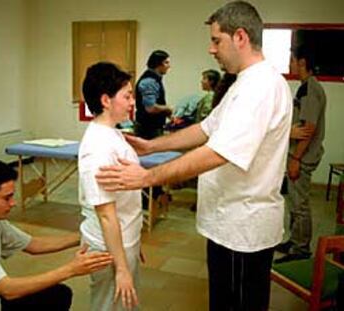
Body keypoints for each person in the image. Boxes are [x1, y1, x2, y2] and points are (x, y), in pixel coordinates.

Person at [96, 1, 293, 310]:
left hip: (241, 228)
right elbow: (205, 129)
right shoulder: (245, 84)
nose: (211, 50)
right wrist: (151, 146)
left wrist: (147, 176)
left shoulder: (261, 87)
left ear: (240, 37)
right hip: (227, 223)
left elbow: (217, 153)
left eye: (217, 40)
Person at [0, 158, 113, 311]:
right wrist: (71, 269)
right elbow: (8, 290)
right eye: (7, 198)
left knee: (59, 295)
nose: (13, 203)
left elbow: (34, 245)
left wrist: (85, 235)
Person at [79, 62, 142, 311]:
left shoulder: (113, 133)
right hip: (110, 248)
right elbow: (105, 214)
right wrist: (122, 267)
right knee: (110, 305)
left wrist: (134, 242)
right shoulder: (97, 148)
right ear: (106, 100)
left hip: (124, 240)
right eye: (127, 96)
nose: (132, 102)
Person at [275, 44, 327, 263]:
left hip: (302, 157)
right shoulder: (305, 87)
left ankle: (301, 249)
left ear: (302, 62)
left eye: (292, 60)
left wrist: (296, 158)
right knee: (293, 201)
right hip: (298, 155)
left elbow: (309, 128)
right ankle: (294, 240)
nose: (291, 65)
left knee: (300, 204)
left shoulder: (310, 89)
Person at [134, 50, 173, 139]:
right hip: (148, 129)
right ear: (158, 63)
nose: (169, 66)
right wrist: (167, 108)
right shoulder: (149, 82)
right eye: (166, 63)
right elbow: (151, 108)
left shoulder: (155, 79)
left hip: (152, 127)